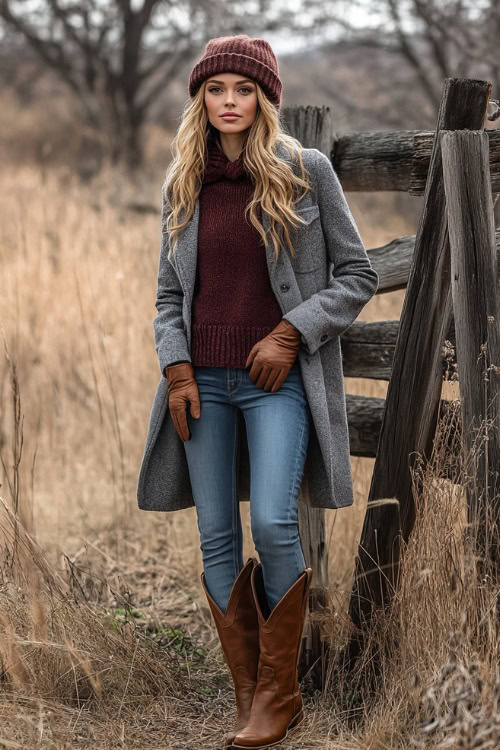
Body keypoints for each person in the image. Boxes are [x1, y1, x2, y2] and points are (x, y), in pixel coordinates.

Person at [142, 33, 379, 750]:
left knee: (274, 524)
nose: (229, 103)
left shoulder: (303, 170)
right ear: (201, 98)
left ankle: (283, 691)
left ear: (265, 96)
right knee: (216, 534)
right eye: (216, 90)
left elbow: (358, 274)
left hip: (274, 384)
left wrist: (291, 332)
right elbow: (166, 296)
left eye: (243, 90)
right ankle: (251, 699)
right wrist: (177, 366)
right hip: (202, 388)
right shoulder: (182, 181)